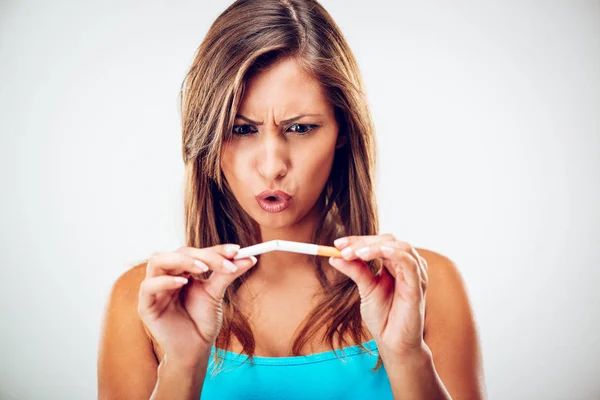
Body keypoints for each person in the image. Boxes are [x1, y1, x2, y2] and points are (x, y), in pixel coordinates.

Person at [98, 0, 486, 398]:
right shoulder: (146, 300)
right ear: (207, 140)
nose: (272, 167)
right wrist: (182, 366)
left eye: (300, 127)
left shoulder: (423, 288)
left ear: (343, 134)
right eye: (242, 129)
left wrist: (407, 358)